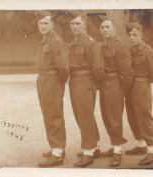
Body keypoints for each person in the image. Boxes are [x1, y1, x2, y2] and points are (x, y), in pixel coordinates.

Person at [68, 11, 104, 167]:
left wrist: (93, 85)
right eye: (72, 24)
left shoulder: (90, 43)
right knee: (81, 114)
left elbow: (98, 66)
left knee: (85, 115)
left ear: (84, 25)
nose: (75, 26)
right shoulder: (74, 43)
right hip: (75, 80)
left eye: (78, 24)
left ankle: (88, 151)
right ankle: (94, 146)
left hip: (85, 81)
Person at [36, 11, 70, 167]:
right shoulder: (46, 40)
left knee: (54, 114)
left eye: (46, 23)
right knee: (48, 114)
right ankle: (57, 148)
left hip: (52, 80)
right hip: (43, 80)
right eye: (40, 23)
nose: (43, 26)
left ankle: (57, 154)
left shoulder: (56, 41)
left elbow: (63, 67)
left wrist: (58, 82)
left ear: (52, 25)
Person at [124, 22, 153, 165]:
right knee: (132, 116)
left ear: (141, 35)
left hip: (141, 86)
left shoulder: (148, 52)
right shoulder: (130, 50)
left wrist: (143, 83)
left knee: (144, 117)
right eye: (129, 35)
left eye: (135, 35)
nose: (132, 38)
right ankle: (140, 146)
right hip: (130, 86)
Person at [98, 18, 133, 167]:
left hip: (115, 84)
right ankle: (114, 145)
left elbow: (127, 72)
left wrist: (122, 90)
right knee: (106, 117)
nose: (105, 30)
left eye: (107, 27)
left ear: (113, 29)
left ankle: (118, 151)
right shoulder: (101, 46)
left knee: (114, 118)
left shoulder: (119, 47)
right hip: (104, 84)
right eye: (102, 27)